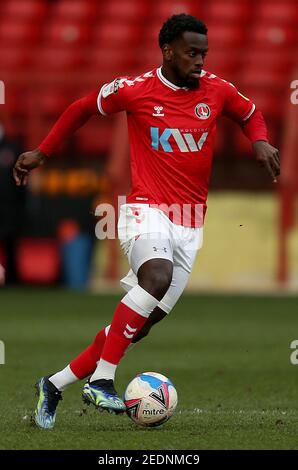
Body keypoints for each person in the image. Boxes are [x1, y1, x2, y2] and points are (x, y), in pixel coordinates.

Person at [13, 14, 280, 429]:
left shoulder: (218, 90)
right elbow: (82, 107)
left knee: (139, 325)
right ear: (168, 51)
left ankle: (53, 383)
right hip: (145, 210)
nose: (200, 62)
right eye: (192, 53)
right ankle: (102, 379)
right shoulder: (134, 90)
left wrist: (260, 140)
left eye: (204, 54)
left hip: (191, 223)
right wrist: (43, 152)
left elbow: (250, 113)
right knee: (155, 278)